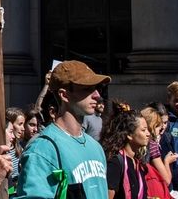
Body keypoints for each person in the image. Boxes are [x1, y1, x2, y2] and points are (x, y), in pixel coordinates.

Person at [14, 60, 110, 199]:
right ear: (64, 95)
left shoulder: (96, 147)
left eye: (96, 89)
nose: (97, 95)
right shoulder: (42, 149)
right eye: (86, 89)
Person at [101, 101, 149, 199]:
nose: (148, 134)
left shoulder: (137, 161)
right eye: (143, 130)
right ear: (129, 135)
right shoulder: (115, 163)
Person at [140, 106, 178, 185]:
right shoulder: (152, 145)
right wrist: (167, 161)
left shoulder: (134, 143)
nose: (161, 128)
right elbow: (166, 180)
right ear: (150, 126)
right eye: (157, 125)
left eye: (165, 123)